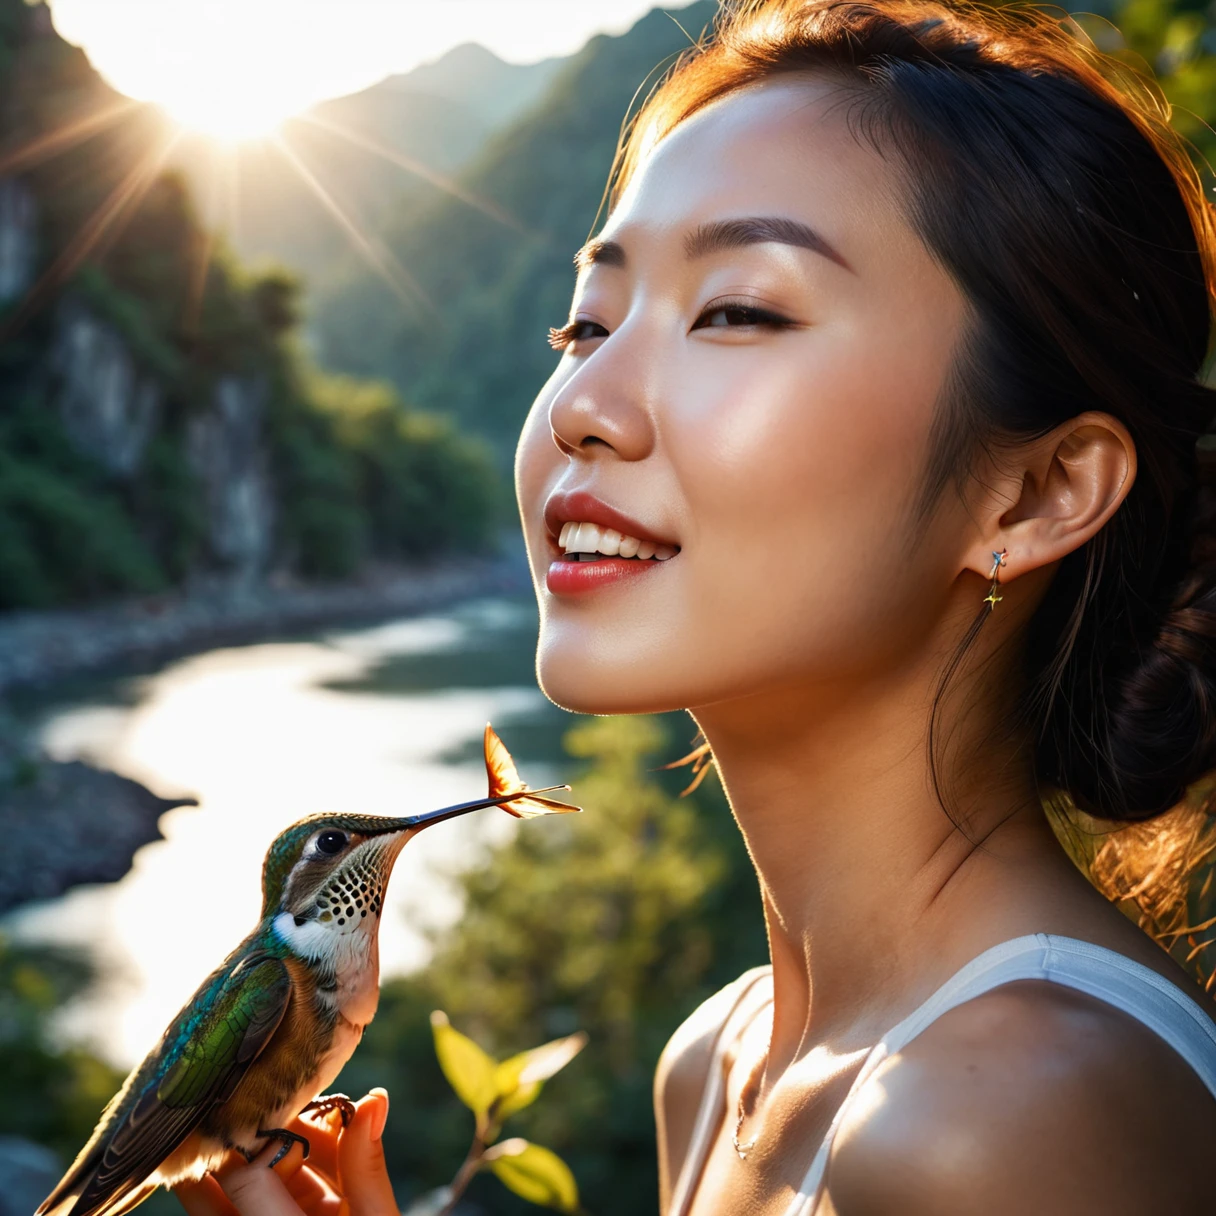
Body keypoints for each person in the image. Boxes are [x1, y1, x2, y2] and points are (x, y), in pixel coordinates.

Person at [176, 1, 1216, 1212]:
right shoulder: (718, 1063)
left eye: (737, 311)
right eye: (586, 323)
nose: (582, 405)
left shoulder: (1013, 1117)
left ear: (1035, 491)